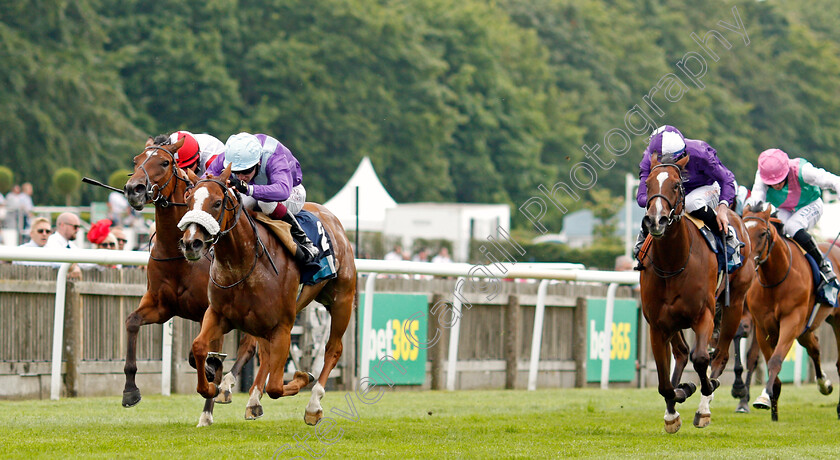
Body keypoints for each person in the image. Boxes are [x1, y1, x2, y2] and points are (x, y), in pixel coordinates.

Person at [633, 125, 742, 270]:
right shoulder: (649, 158)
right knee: (655, 208)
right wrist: (659, 202)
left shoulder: (700, 152)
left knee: (691, 203)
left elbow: (727, 179)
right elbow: (641, 197)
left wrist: (722, 209)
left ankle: (727, 236)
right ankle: (642, 244)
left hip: (707, 187)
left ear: (681, 154)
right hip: (671, 192)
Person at [205, 132, 317, 264]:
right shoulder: (232, 155)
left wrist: (248, 189)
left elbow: (283, 190)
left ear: (258, 162)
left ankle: (304, 240)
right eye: (236, 172)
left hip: (292, 192)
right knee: (232, 199)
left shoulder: (273, 156)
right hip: (259, 191)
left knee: (265, 203)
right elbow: (206, 179)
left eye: (246, 171)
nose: (241, 177)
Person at [746, 148, 840, 289]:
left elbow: (834, 181)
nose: (776, 185)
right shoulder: (762, 176)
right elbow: (756, 200)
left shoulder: (803, 171)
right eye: (772, 182)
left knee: (792, 227)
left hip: (811, 205)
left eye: (779, 180)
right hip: (785, 209)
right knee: (770, 229)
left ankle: (823, 265)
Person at [45, 212, 84, 278]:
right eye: (75, 227)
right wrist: (73, 266)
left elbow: (84, 261)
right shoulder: (50, 242)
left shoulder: (71, 245)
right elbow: (56, 262)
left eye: (78, 227)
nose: (78, 230)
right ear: (62, 225)